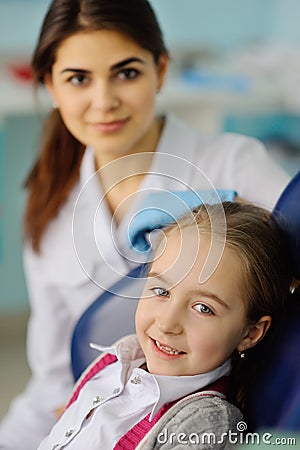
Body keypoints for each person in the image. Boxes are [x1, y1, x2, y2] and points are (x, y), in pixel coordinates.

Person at [0, 0, 290, 448]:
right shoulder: (51, 208)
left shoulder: (233, 163)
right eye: (78, 78)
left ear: (161, 69)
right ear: (51, 86)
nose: (104, 101)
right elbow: (52, 381)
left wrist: (225, 206)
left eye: (127, 72)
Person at [37, 201, 294, 449]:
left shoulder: (204, 426)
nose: (167, 323)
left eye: (203, 308)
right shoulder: (117, 360)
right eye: (161, 291)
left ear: (251, 333)